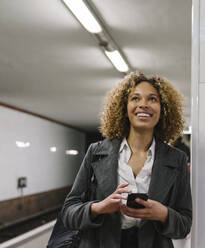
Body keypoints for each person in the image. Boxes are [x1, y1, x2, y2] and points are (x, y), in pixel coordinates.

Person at [61, 71, 192, 248]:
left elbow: (184, 225)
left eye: (152, 99)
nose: (143, 105)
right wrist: (99, 208)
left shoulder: (177, 159)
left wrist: (163, 214)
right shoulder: (96, 152)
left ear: (163, 110)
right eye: (135, 98)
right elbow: (68, 213)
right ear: (124, 107)